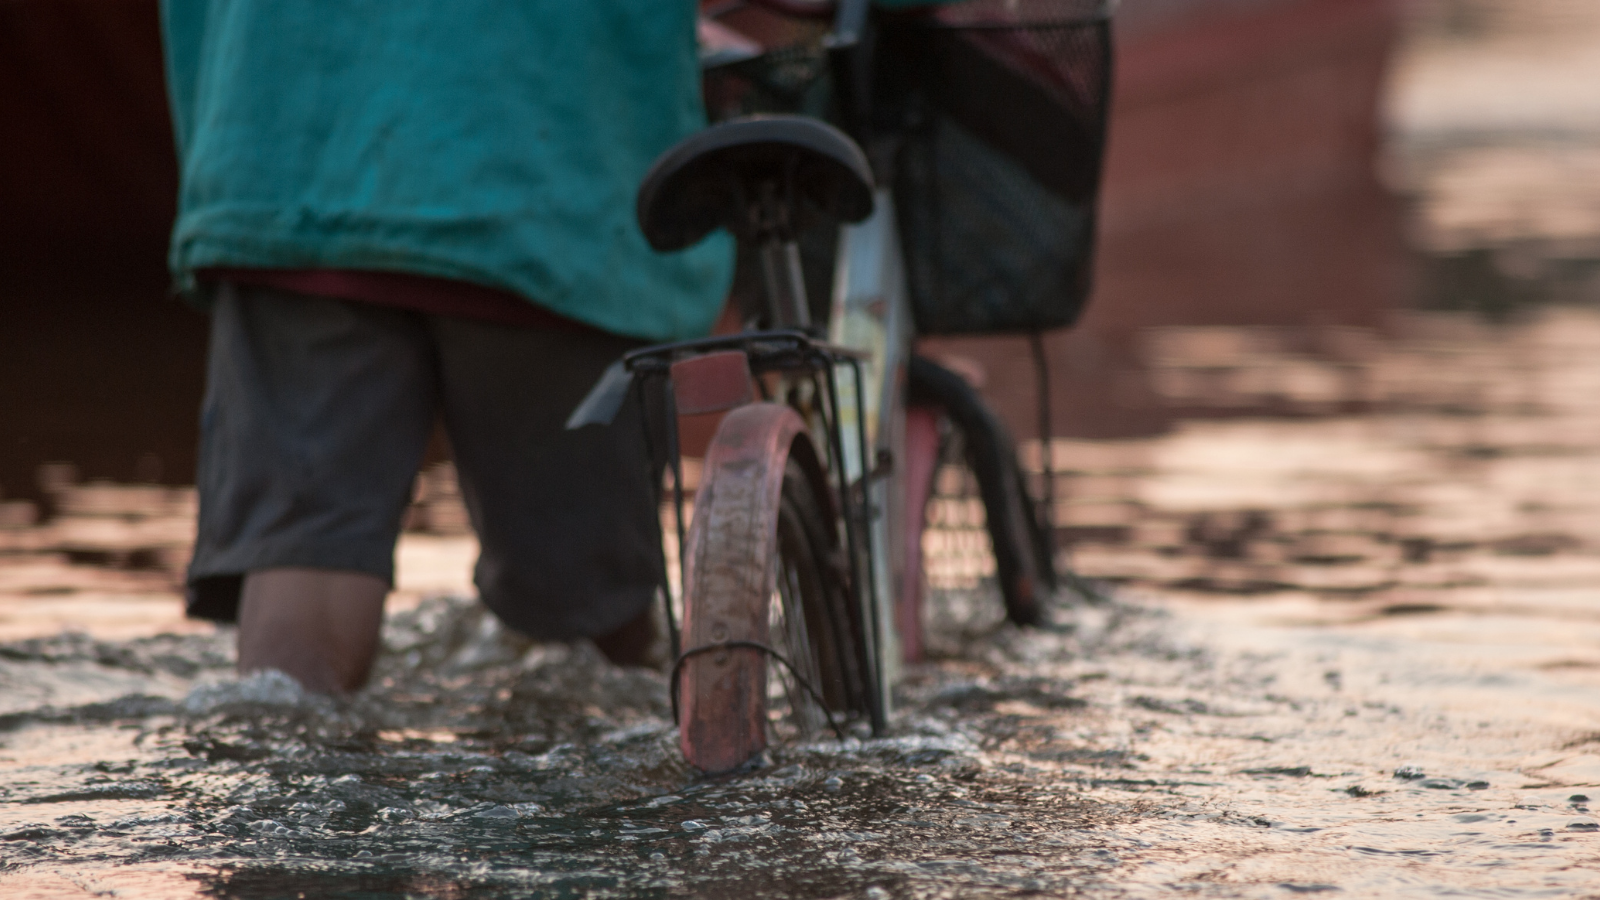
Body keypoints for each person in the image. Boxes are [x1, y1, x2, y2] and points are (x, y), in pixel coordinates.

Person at [160, 1, 733, 692]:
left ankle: (283, 775)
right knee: (585, 630)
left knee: (303, 576)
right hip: (550, 187)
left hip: (284, 153)